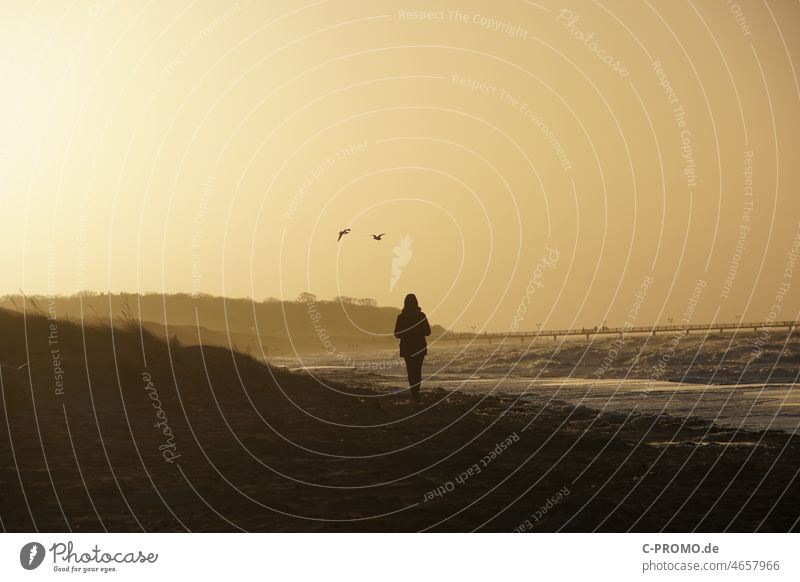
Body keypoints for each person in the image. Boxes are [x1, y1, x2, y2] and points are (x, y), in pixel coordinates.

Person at [394, 293, 431, 403]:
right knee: (417, 370)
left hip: (407, 348)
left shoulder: (401, 317)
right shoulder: (421, 316)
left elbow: (397, 333)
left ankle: (414, 392)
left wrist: (408, 332)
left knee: (411, 371)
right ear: (416, 303)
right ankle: (416, 392)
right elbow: (428, 332)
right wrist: (416, 331)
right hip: (418, 347)